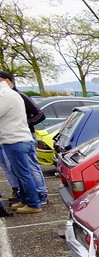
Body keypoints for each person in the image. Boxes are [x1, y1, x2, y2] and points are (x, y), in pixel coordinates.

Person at [0, 72, 47, 207]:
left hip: (18, 138)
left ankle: (37, 198)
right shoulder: (13, 95)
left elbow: (40, 114)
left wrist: (26, 124)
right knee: (18, 171)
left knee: (28, 170)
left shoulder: (11, 95)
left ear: (7, 80)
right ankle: (26, 197)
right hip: (19, 137)